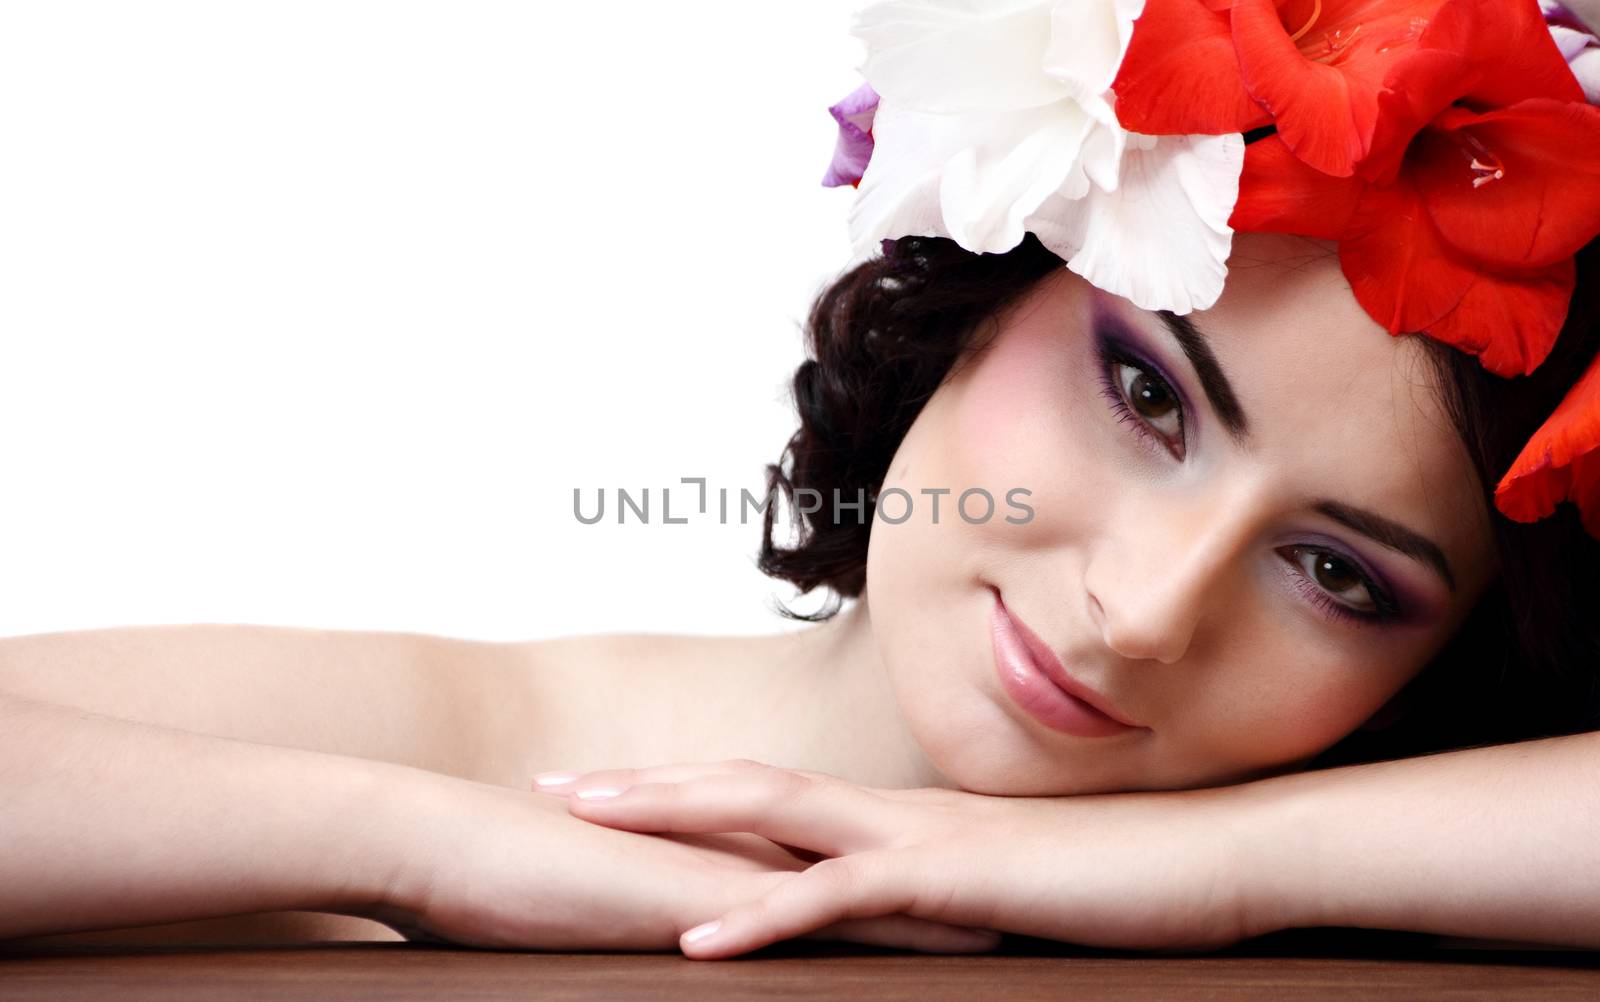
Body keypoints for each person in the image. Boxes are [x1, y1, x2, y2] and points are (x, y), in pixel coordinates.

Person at [4, 0, 1600, 958]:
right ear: (979, 289)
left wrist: (1214, 867)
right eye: (1145, 394)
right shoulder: (500, 754)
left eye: (1340, 576)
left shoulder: (1399, 890)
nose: (1143, 609)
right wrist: (429, 850)